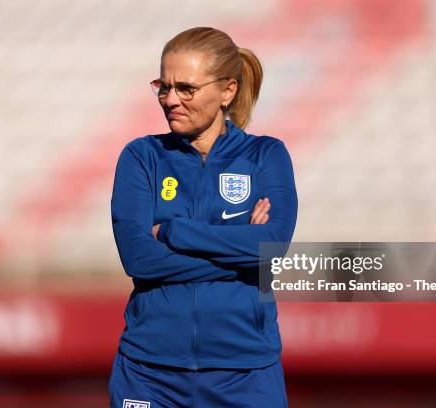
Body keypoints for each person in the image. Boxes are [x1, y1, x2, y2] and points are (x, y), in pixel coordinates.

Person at [109, 27, 298, 407]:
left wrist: (174, 232)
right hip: (149, 373)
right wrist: (242, 255)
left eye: (186, 88)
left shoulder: (266, 156)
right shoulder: (141, 157)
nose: (170, 100)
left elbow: (272, 248)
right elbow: (138, 258)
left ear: (227, 91)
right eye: (164, 86)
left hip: (246, 373)